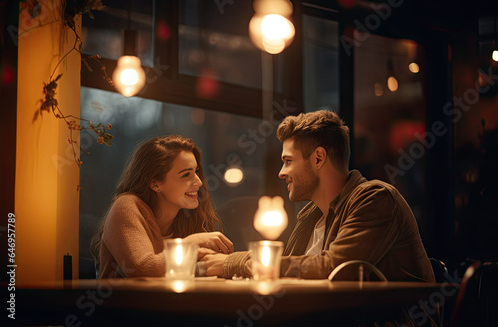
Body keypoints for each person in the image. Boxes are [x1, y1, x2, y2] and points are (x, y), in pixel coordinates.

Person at [202, 110, 435, 282]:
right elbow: (286, 269)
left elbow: (333, 268)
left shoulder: (375, 198)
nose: (281, 173)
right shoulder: (311, 216)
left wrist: (233, 264)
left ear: (318, 158)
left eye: (288, 161)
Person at [90, 135, 233, 278]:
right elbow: (142, 270)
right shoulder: (126, 206)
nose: (199, 182)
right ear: (156, 184)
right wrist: (191, 244)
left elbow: (210, 266)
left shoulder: (188, 219)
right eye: (186, 175)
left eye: (196, 172)